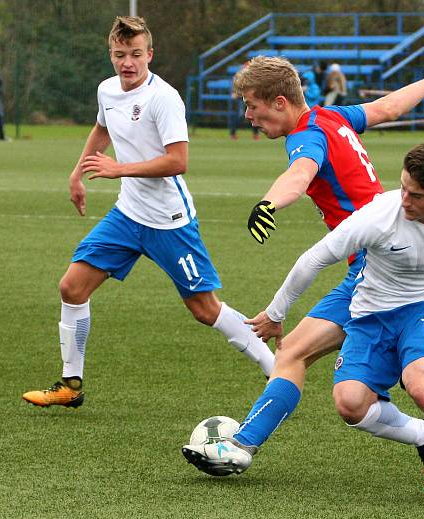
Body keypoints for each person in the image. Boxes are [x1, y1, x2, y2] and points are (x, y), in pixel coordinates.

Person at [182, 57, 424, 492]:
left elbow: (300, 174)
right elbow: (387, 109)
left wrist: (270, 202)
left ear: (281, 102)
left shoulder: (306, 135)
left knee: (301, 357)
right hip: (385, 255)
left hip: (378, 264)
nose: (248, 115)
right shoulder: (332, 117)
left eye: (252, 106)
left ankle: (243, 445)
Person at [236, 142, 424, 513]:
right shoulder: (378, 216)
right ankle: (423, 435)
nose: (404, 200)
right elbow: (313, 259)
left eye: (416, 195)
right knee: (350, 404)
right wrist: (275, 312)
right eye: (402, 187)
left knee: (421, 383)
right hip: (371, 316)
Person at [22, 16, 275, 408]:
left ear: (149, 55)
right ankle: (70, 385)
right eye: (120, 54)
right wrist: (77, 173)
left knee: (205, 310)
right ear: (111, 55)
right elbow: (102, 129)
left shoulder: (164, 98)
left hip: (170, 222)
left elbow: (178, 161)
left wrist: (117, 169)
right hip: (127, 216)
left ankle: (275, 370)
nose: (128, 62)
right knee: (71, 287)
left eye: (136, 55)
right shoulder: (107, 90)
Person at [229, 63, 259, 140]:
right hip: (241, 99)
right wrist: (235, 94)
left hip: (251, 99)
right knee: (240, 115)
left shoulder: (254, 78)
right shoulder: (238, 78)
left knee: (254, 116)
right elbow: (234, 91)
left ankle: (255, 134)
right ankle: (232, 134)